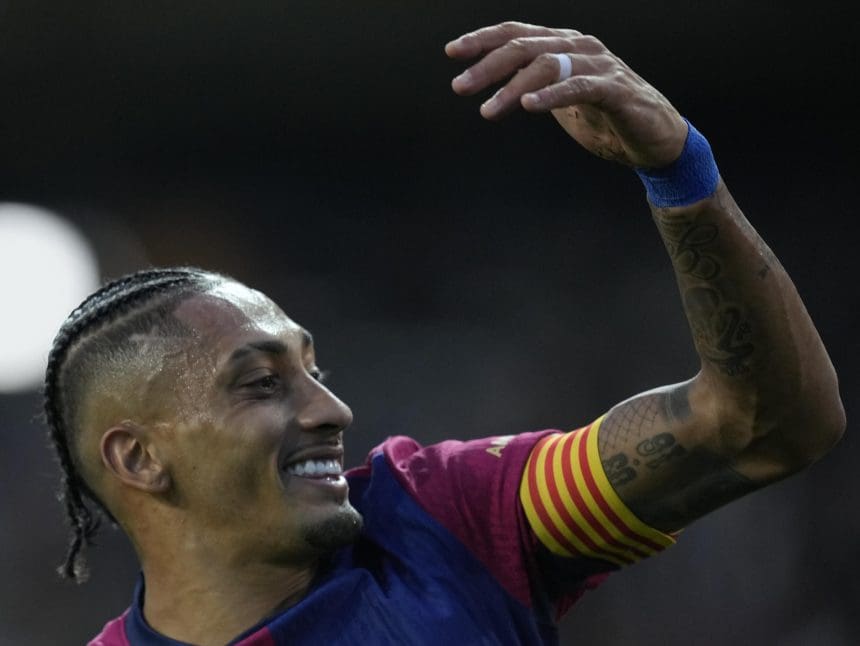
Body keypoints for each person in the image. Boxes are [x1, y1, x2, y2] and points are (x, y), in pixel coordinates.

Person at [44, 21, 844, 646]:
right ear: (138, 457)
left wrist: (681, 175)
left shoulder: (439, 520)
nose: (331, 411)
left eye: (315, 372)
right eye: (261, 384)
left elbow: (765, 427)